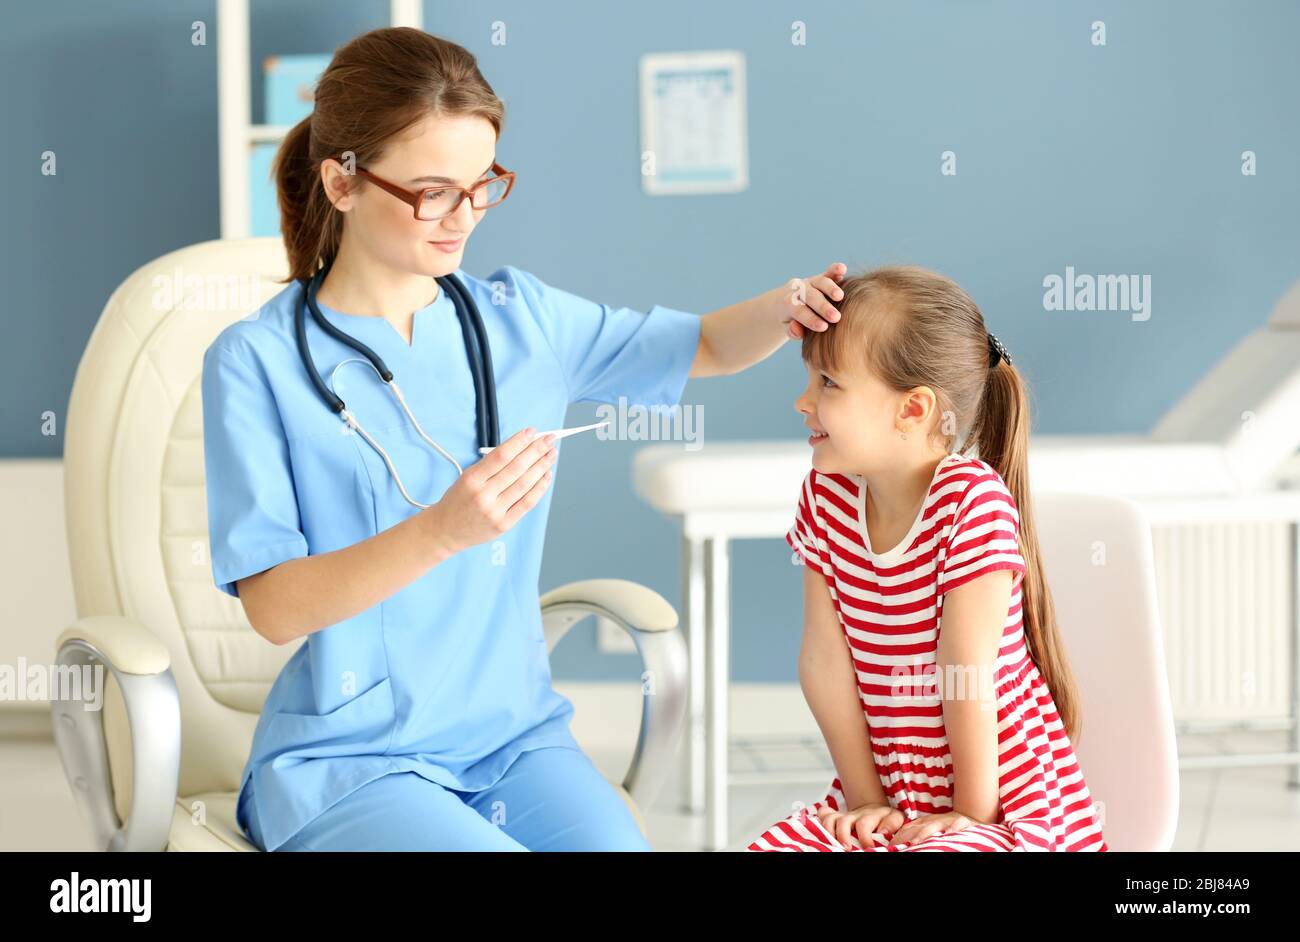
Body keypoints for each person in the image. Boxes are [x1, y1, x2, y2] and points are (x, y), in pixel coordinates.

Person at [201, 26, 844, 851]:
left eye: (483, 184)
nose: (464, 216)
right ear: (342, 182)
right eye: (433, 191)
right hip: (352, 758)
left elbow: (708, 346)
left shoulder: (520, 320)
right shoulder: (257, 362)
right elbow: (275, 609)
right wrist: (440, 532)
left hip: (510, 740)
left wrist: (798, 302)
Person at [746, 265, 1109, 852]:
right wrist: (866, 802)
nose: (802, 401)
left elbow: (965, 670)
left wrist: (968, 813)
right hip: (895, 791)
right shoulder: (826, 498)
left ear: (912, 410)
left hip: (1000, 799)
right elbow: (823, 661)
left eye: (829, 384)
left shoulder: (971, 501)